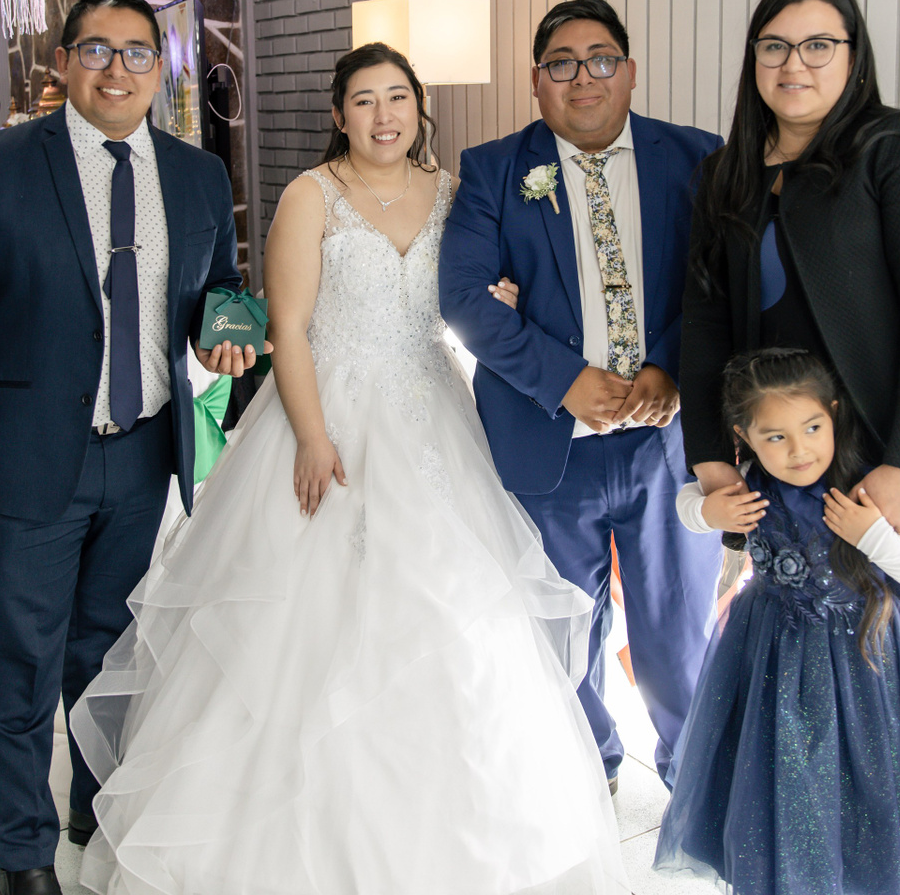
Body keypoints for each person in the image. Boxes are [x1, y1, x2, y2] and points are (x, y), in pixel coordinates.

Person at [67, 44, 623, 894]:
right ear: (340, 115)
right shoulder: (311, 195)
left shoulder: (454, 192)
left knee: (449, 608)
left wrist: (501, 299)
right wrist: (312, 436)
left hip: (433, 414)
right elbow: (289, 328)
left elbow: (475, 296)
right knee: (302, 622)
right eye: (364, 100)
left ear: (419, 107)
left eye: (397, 97)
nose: (383, 115)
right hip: (326, 408)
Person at [0, 0, 261, 895]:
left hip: (143, 452)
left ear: (160, 66)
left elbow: (218, 288)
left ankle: (94, 804)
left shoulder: (196, 175)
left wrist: (225, 334)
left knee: (107, 650)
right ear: (64, 62)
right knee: (21, 661)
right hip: (22, 459)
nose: (118, 70)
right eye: (97, 50)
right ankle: (25, 852)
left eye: (137, 52)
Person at [680, 0, 900, 673]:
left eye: (818, 45)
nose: (793, 64)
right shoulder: (725, 174)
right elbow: (705, 324)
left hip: (893, 456)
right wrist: (709, 455)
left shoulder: (899, 148)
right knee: (815, 664)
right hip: (792, 461)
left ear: (853, 56)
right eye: (774, 46)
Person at [438, 0, 724, 791]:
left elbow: (722, 284)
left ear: (629, 72)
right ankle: (587, 769)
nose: (583, 78)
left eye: (600, 60)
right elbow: (463, 299)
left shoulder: (699, 158)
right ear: (536, 81)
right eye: (561, 64)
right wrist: (564, 382)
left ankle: (693, 777)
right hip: (547, 445)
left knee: (678, 629)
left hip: (669, 447)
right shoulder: (494, 169)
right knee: (563, 630)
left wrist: (669, 366)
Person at [656, 348, 900, 893]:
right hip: (769, 653)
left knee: (866, 786)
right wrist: (706, 512)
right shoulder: (747, 482)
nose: (798, 450)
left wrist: (874, 537)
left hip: (864, 663)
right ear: (743, 436)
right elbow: (687, 503)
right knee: (780, 779)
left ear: (834, 413)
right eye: (776, 437)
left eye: (812, 428)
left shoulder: (869, 488)